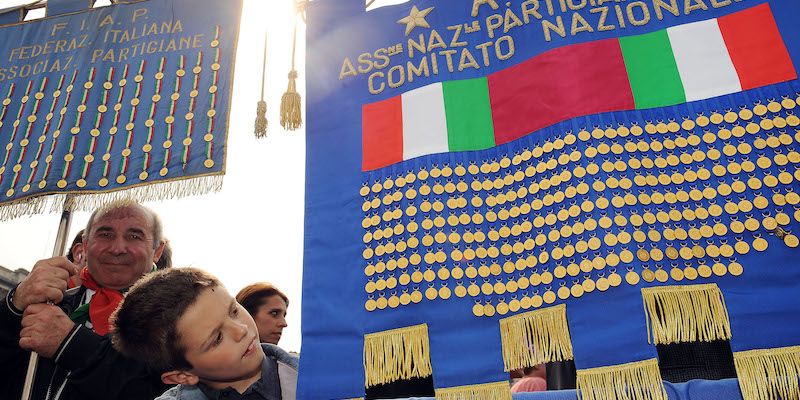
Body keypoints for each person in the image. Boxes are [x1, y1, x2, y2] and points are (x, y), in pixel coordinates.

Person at [0, 200, 170, 400]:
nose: (117, 248)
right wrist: (12, 308)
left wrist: (72, 344)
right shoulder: (51, 303)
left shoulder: (176, 319)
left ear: (157, 251)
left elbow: (164, 390)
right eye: (105, 234)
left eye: (134, 236)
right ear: (86, 244)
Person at [111, 268, 299, 400]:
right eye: (217, 338)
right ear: (182, 376)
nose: (241, 330)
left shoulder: (316, 374)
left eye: (233, 311)